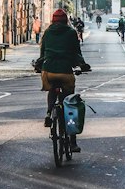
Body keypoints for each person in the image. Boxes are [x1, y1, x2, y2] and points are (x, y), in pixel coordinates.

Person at [37, 8, 91, 147]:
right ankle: (72, 142)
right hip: (65, 72)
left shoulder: (47, 32)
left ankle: (49, 112)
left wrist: (39, 65)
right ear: (66, 20)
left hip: (48, 71)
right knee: (69, 102)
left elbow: (43, 53)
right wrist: (82, 65)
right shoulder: (71, 33)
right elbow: (76, 53)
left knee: (51, 90)